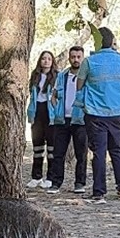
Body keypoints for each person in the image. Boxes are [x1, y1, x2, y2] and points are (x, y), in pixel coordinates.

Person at [75, 27, 120, 202]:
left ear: (97, 42)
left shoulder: (89, 62)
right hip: (117, 113)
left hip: (95, 113)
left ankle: (99, 193)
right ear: (113, 42)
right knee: (117, 150)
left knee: (99, 153)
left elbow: (79, 86)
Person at [47, 45, 87, 194]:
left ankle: (80, 183)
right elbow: (54, 93)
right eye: (73, 57)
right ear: (69, 58)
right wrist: (55, 104)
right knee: (58, 153)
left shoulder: (87, 76)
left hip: (80, 119)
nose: (75, 60)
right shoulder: (62, 75)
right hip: (62, 119)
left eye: (78, 57)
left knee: (81, 154)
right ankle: (56, 183)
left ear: (83, 58)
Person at [25, 49, 57, 187]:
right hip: (37, 111)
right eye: (44, 58)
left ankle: (50, 177)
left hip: (50, 113)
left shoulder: (57, 76)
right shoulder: (35, 75)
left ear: (52, 61)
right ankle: (36, 176)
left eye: (49, 59)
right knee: (37, 145)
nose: (46, 61)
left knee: (51, 147)